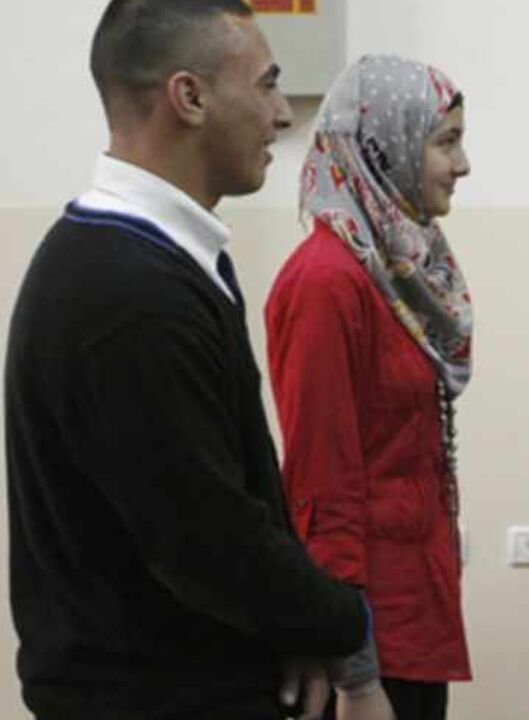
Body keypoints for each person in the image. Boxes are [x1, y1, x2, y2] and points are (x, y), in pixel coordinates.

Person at [4, 1, 370, 718]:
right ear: (190, 97)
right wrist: (345, 625)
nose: (282, 115)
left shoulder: (156, 260)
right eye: (267, 85)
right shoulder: (127, 290)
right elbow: (206, 543)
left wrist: (294, 629)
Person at [265, 55, 474, 720]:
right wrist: (356, 677)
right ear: (384, 147)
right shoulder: (329, 282)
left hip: (413, 620)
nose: (463, 164)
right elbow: (322, 486)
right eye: (446, 142)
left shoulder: (394, 270)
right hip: (370, 648)